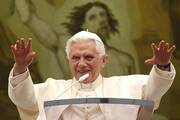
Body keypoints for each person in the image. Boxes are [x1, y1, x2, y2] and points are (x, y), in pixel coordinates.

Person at [8, 31, 176, 120]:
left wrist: (162, 65)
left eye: (88, 57)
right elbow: (24, 99)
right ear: (68, 60)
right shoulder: (53, 89)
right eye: (75, 58)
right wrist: (20, 67)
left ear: (103, 61)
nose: (81, 64)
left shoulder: (127, 86)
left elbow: (154, 90)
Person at [14, 0, 138, 78]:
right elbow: (29, 18)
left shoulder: (125, 60)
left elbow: (135, 98)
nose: (101, 20)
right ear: (83, 25)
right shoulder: (70, 47)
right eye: (93, 17)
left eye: (102, 15)